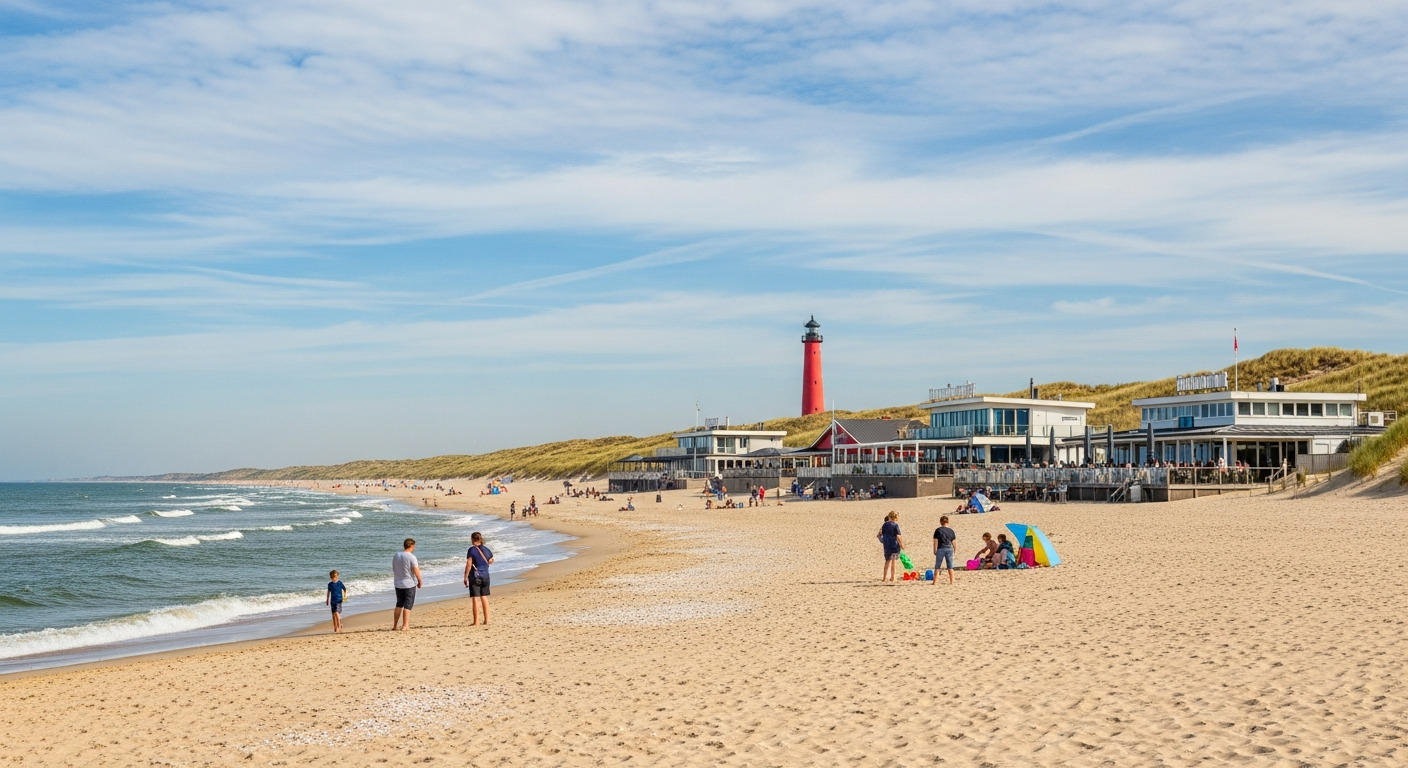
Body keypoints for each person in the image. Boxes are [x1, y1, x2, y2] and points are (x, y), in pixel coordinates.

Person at [463, 532, 494, 626]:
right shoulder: (487, 549)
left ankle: (476, 622)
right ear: (481, 539)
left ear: (472, 539)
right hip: (485, 575)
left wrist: (465, 577)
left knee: (475, 598)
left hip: (475, 576)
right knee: (484, 596)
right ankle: (487, 620)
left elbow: (469, 564)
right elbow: (491, 560)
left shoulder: (471, 550)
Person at [391, 538, 422, 631]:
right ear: (411, 546)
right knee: (408, 605)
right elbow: (416, 569)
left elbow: (394, 568)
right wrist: (419, 580)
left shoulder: (396, 555)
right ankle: (405, 625)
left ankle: (395, 625)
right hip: (409, 583)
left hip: (398, 583)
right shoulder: (411, 557)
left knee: (399, 604)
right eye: (414, 546)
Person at [877, 511, 903, 582]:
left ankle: (884, 578)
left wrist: (882, 540)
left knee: (887, 562)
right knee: (893, 562)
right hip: (894, 546)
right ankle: (892, 577)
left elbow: (879, 533)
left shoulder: (884, 525)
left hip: (887, 546)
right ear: (896, 518)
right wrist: (902, 544)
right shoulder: (895, 525)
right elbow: (898, 536)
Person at [933, 515, 956, 584]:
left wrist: (935, 550)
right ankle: (952, 581)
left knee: (937, 566)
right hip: (949, 548)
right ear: (948, 522)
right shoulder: (951, 531)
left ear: (940, 522)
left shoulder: (938, 530)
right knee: (950, 566)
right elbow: (954, 542)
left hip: (941, 548)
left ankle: (934, 581)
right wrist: (954, 549)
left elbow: (935, 541)